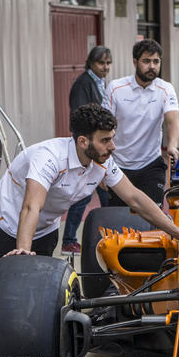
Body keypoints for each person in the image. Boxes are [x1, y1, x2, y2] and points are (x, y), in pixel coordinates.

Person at [0, 103, 179, 303]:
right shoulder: (49, 157)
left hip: (45, 227)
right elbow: (31, 206)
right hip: (5, 223)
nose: (112, 146)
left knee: (36, 291)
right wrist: (23, 251)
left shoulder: (102, 161)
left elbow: (135, 198)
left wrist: (177, 232)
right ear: (83, 141)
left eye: (112, 137)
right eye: (105, 140)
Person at [103, 39, 179, 207]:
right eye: (146, 61)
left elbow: (172, 121)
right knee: (118, 221)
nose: (152, 66)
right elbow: (104, 128)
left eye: (156, 61)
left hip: (151, 164)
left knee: (153, 218)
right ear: (135, 62)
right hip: (119, 165)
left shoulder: (166, 89)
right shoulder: (115, 88)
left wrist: (172, 145)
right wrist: (102, 164)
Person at [61, 46, 113, 255]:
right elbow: (80, 116)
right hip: (89, 149)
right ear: (91, 63)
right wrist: (87, 148)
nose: (106, 67)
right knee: (85, 194)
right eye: (102, 63)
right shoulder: (84, 83)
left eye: (108, 63)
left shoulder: (100, 82)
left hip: (97, 147)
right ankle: (69, 239)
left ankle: (108, 234)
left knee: (102, 193)